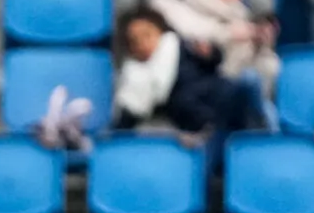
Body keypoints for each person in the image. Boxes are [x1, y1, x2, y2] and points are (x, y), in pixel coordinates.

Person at [111, 8, 264, 140]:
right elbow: (130, 112)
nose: (144, 44)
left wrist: (209, 53)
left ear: (160, 31)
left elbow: (213, 61)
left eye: (147, 34)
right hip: (201, 125)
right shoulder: (137, 79)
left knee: (249, 81)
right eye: (135, 41)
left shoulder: (179, 47)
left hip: (220, 96)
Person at [178, 0, 281, 92]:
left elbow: (264, 77)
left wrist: (263, 47)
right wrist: (230, 34)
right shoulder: (182, 11)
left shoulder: (242, 19)